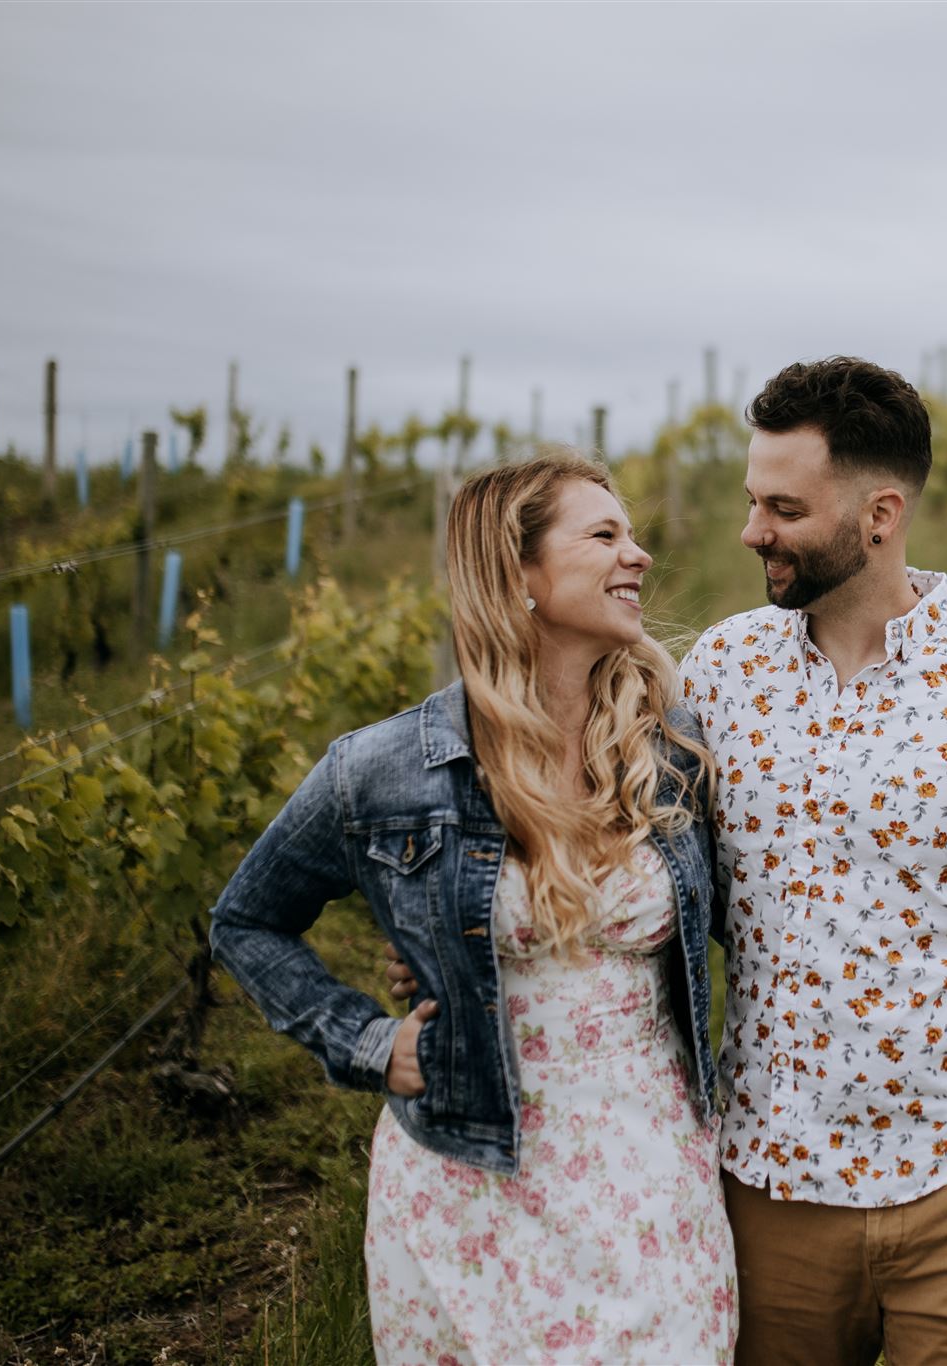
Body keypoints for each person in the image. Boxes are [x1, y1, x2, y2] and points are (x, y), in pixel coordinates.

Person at [390, 358, 947, 1363]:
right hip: (766, 1179)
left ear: (879, 515)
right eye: (750, 498)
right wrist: (443, 938)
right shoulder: (711, 676)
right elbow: (605, 855)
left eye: (781, 507)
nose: (750, 529)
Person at [210, 454, 738, 1365]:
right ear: (518, 573)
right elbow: (247, 921)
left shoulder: (671, 753)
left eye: (633, 534)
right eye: (605, 535)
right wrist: (370, 1043)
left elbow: (741, 922)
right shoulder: (383, 771)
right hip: (473, 1181)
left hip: (653, 1173)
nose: (640, 555)